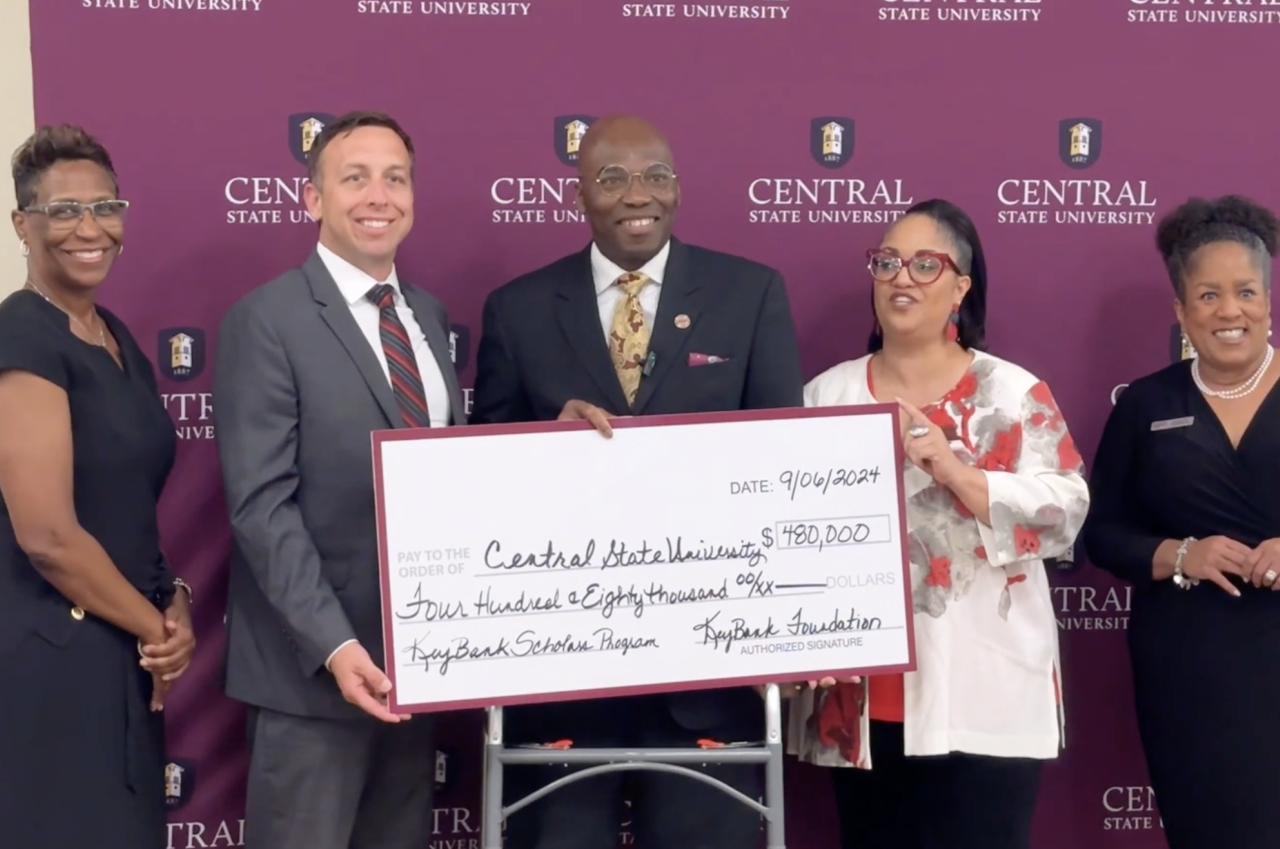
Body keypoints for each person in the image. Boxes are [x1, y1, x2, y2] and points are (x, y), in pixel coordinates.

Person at [470, 114, 804, 849]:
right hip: (561, 680)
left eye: (655, 175)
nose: (636, 194)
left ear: (679, 189)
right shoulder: (519, 310)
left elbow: (787, 476)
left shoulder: (749, 295)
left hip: (711, 680)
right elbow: (478, 488)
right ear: (581, 194)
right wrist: (535, 450)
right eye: (612, 178)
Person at [788, 200, 1089, 849]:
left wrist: (955, 471)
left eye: (927, 265)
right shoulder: (823, 397)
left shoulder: (1012, 394)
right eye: (888, 262)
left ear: (961, 287)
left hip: (986, 693)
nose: (902, 278)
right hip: (862, 705)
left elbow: (1067, 515)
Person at [213, 111, 466, 849]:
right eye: (354, 177)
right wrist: (336, 646)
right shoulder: (266, 320)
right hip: (314, 677)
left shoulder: (427, 315)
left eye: (395, 177)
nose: (377, 195)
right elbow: (262, 507)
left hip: (414, 671)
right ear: (313, 199)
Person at [0, 125, 195, 849]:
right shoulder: (22, 336)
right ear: (24, 225)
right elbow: (47, 536)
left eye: (105, 207)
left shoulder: (113, 336)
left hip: (121, 657)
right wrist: (156, 633)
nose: (89, 228)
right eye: (63, 211)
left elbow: (126, 508)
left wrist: (174, 599)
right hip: (51, 662)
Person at [1082, 195, 1280, 849]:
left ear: (1268, 298)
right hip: (1191, 668)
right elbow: (1102, 534)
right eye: (1209, 296)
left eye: (1246, 291)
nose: (1230, 311)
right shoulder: (1145, 405)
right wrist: (1179, 553)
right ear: (1181, 311)